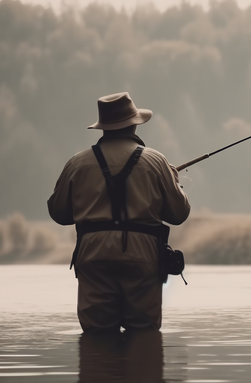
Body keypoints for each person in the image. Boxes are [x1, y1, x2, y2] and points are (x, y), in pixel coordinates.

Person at [48, 92, 190, 332]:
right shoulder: (157, 162)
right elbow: (178, 214)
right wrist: (173, 180)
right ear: (134, 125)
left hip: (93, 255)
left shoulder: (77, 163)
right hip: (143, 255)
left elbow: (59, 214)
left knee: (97, 335)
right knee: (144, 336)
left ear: (103, 128)